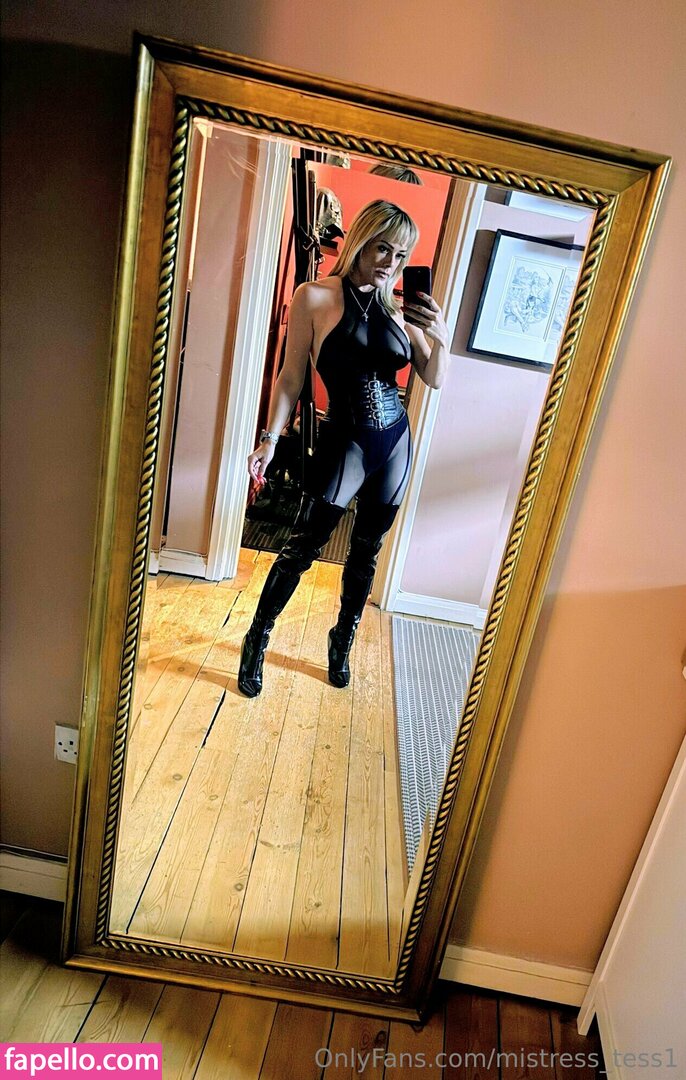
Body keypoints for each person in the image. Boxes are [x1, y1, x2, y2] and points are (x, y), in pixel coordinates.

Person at [238, 199, 450, 697]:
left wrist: (439, 337)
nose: (391, 264)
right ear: (361, 241)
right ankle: (257, 637)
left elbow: (434, 377)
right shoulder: (314, 296)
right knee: (303, 546)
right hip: (345, 440)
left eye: (402, 256)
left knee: (366, 552)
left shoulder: (400, 309)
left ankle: (342, 640)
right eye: (383, 249)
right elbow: (290, 377)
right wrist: (269, 439)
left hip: (394, 442)